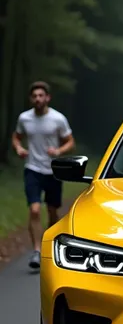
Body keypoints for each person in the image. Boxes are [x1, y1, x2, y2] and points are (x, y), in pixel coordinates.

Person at [12, 81, 75, 270]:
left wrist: (58, 151)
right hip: (32, 169)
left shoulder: (58, 119)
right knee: (34, 210)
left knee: (53, 211)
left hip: (53, 170)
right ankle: (37, 251)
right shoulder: (24, 118)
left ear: (47, 98)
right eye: (34, 96)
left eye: (41, 95)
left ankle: (50, 245)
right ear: (31, 99)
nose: (38, 99)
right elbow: (16, 136)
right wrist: (18, 148)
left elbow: (70, 141)